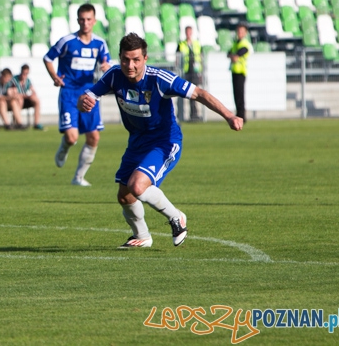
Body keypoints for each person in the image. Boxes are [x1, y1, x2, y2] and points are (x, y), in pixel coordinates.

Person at [78, 33, 243, 248]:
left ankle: (177, 217)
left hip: (164, 141)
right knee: (125, 196)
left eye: (136, 59)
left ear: (145, 59)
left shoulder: (160, 79)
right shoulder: (113, 76)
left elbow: (199, 93)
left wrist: (229, 116)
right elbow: (88, 96)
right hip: (137, 141)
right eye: (126, 59)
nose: (130, 65)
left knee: (137, 186)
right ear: (120, 58)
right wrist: (83, 102)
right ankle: (142, 236)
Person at [44, 3, 110, 186]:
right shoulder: (67, 41)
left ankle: (79, 177)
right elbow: (48, 58)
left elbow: (107, 62)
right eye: (82, 19)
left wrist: (106, 67)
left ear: (94, 21)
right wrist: (55, 77)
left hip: (90, 94)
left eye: (89, 19)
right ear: (77, 20)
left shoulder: (99, 43)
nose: (85, 23)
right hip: (69, 93)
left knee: (94, 137)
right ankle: (65, 146)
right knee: (72, 137)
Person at [178, 26, 203, 121]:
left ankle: (194, 114)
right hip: (186, 71)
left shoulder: (196, 44)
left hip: (195, 71)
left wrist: (200, 71)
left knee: (194, 93)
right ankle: (183, 114)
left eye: (190, 32)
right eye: (187, 32)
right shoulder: (181, 44)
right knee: (186, 93)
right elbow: (177, 58)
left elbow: (201, 57)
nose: (188, 34)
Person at [228, 24, 252, 122]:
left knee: (240, 95)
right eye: (239, 31)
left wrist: (235, 55)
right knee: (236, 95)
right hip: (234, 71)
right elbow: (229, 54)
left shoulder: (244, 43)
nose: (240, 33)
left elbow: (240, 52)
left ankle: (241, 116)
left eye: (242, 31)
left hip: (241, 71)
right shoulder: (236, 43)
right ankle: (239, 114)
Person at [12, 64, 42, 129]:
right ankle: (18, 123)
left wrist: (33, 95)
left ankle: (36, 123)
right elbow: (15, 94)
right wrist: (27, 96)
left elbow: (33, 90)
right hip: (18, 99)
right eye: (23, 73)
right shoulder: (14, 80)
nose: (25, 75)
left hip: (25, 99)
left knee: (37, 100)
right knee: (20, 100)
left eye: (26, 73)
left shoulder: (28, 80)